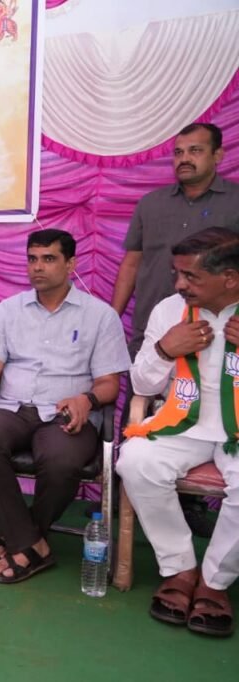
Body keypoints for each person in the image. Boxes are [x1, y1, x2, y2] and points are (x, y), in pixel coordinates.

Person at [0, 229, 130, 584]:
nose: (38, 267)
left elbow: (110, 384)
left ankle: (19, 540)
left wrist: (87, 399)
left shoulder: (100, 316)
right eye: (32, 259)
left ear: (71, 264)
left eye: (49, 259)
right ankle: (32, 544)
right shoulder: (8, 311)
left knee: (62, 460)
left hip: (65, 414)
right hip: (12, 408)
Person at [112, 122, 239, 537]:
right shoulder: (151, 204)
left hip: (224, 329)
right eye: (179, 152)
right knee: (146, 401)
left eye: (195, 150)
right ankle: (127, 498)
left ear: (218, 156)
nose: (185, 158)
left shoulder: (235, 201)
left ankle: (190, 506)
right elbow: (132, 262)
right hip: (160, 322)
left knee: (216, 401)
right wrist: (113, 317)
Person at [118, 227, 239, 638]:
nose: (179, 285)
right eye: (177, 274)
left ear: (230, 278)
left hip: (237, 431)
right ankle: (180, 568)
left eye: (190, 276)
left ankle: (215, 581)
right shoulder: (169, 310)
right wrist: (164, 350)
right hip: (181, 421)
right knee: (135, 460)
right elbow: (143, 385)